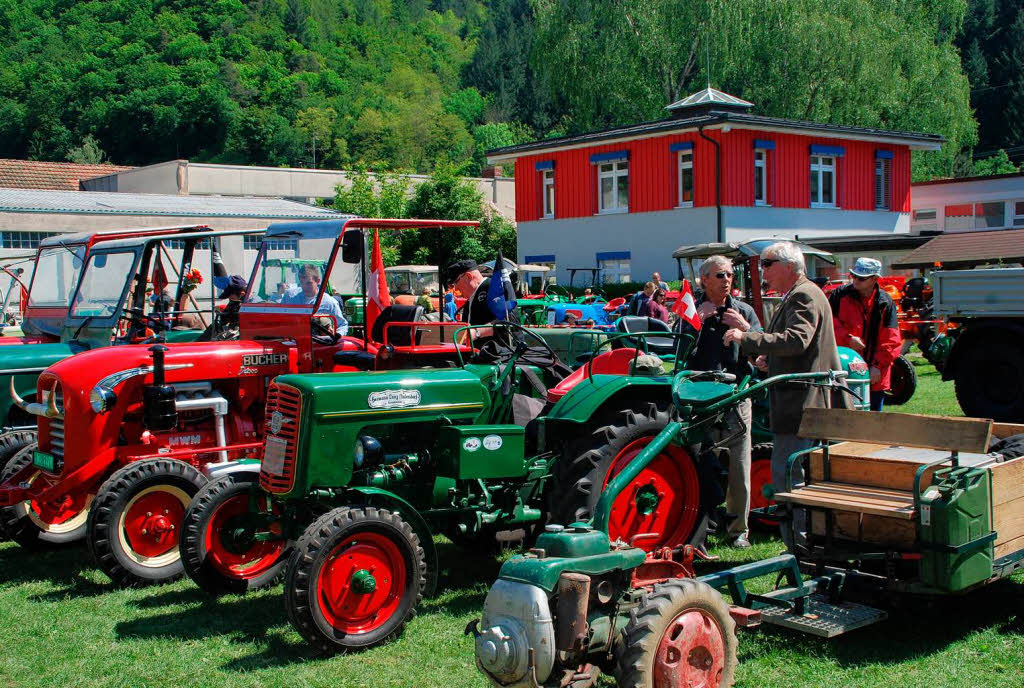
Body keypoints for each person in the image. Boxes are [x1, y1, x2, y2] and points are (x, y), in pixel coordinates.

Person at [723, 242, 851, 548]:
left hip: (802, 403)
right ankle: (805, 544)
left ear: (788, 265)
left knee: (790, 476)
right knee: (798, 474)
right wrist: (772, 361)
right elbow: (799, 347)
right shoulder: (801, 294)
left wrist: (748, 338)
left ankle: (801, 547)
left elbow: (798, 341)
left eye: (767, 264)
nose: (763, 271)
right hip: (803, 401)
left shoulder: (804, 294)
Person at [678, 255, 762, 548]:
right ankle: (702, 523)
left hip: (737, 394)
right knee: (699, 460)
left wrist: (745, 330)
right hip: (700, 396)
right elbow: (676, 352)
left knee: (740, 462)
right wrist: (697, 321)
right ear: (704, 281)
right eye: (719, 275)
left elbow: (762, 353)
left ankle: (738, 529)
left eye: (728, 275)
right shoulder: (690, 310)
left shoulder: (744, 311)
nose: (726, 280)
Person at [827, 257, 901, 411]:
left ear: (874, 278)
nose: (855, 280)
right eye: (853, 276)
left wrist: (877, 366)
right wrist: (847, 338)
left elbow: (891, 340)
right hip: (844, 368)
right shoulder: (839, 296)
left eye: (861, 278)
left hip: (875, 373)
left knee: (873, 420)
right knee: (840, 414)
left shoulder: (885, 302)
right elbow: (828, 324)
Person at [446, 259, 520, 326]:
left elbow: (509, 319)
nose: (456, 288)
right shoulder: (471, 298)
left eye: (456, 282)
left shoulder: (495, 288)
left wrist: (477, 332)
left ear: (468, 277)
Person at [282, 264, 349, 335]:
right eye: (301, 282)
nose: (304, 287)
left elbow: (342, 325)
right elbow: (279, 320)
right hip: (294, 343)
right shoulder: (289, 297)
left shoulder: (329, 302)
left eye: (309, 283)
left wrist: (336, 335)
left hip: (319, 344)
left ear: (318, 281)